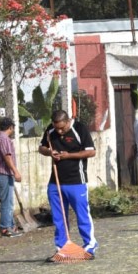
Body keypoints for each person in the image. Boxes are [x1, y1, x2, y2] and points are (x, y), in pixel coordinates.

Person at [38, 110, 98, 259]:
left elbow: (91, 152)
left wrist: (68, 155)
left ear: (68, 121)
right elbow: (42, 147)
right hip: (56, 182)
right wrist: (50, 152)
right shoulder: (50, 130)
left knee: (82, 215)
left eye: (62, 128)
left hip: (76, 181)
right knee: (59, 218)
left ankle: (89, 247)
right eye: (56, 127)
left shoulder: (79, 129)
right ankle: (62, 249)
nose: (59, 131)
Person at [0, 117, 23, 237]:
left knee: (7, 201)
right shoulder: (4, 139)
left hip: (3, 174)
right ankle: (5, 228)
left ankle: (11, 225)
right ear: (10, 127)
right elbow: (7, 157)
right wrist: (15, 172)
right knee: (6, 202)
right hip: (4, 173)